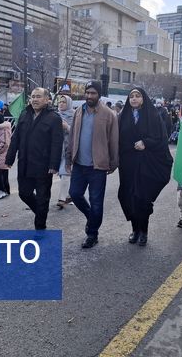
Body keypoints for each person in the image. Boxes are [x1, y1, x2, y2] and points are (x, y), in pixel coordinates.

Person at [66, 81, 119, 248]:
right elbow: (72, 136)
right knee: (74, 194)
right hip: (79, 165)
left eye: (93, 93)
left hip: (98, 166)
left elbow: (114, 141)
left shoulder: (109, 114)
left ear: (99, 95)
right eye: (87, 92)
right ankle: (92, 217)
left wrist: (113, 162)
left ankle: (92, 233)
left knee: (96, 201)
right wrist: (68, 157)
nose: (89, 96)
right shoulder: (78, 112)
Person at [118, 87, 172, 245]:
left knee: (143, 198)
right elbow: (117, 138)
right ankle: (134, 230)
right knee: (129, 197)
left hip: (148, 163)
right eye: (131, 97)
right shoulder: (123, 116)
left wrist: (146, 143)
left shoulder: (153, 115)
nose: (134, 99)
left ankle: (143, 231)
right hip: (128, 163)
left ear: (143, 98)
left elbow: (161, 138)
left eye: (137, 96)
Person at [5, 87, 63, 230]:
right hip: (24, 163)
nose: (35, 99)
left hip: (43, 165)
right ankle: (41, 212)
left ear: (46, 99)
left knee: (43, 197)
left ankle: (40, 227)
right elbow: (15, 138)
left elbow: (57, 143)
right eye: (33, 97)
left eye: (38, 97)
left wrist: (54, 164)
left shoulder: (54, 118)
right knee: (24, 193)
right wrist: (10, 158)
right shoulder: (25, 114)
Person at [55, 95, 74, 209]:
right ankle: (69, 195)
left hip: (69, 149)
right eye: (60, 102)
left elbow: (78, 132)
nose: (61, 104)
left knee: (65, 172)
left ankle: (61, 199)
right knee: (63, 174)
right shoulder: (56, 116)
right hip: (58, 149)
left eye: (64, 102)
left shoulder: (75, 116)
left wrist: (67, 127)